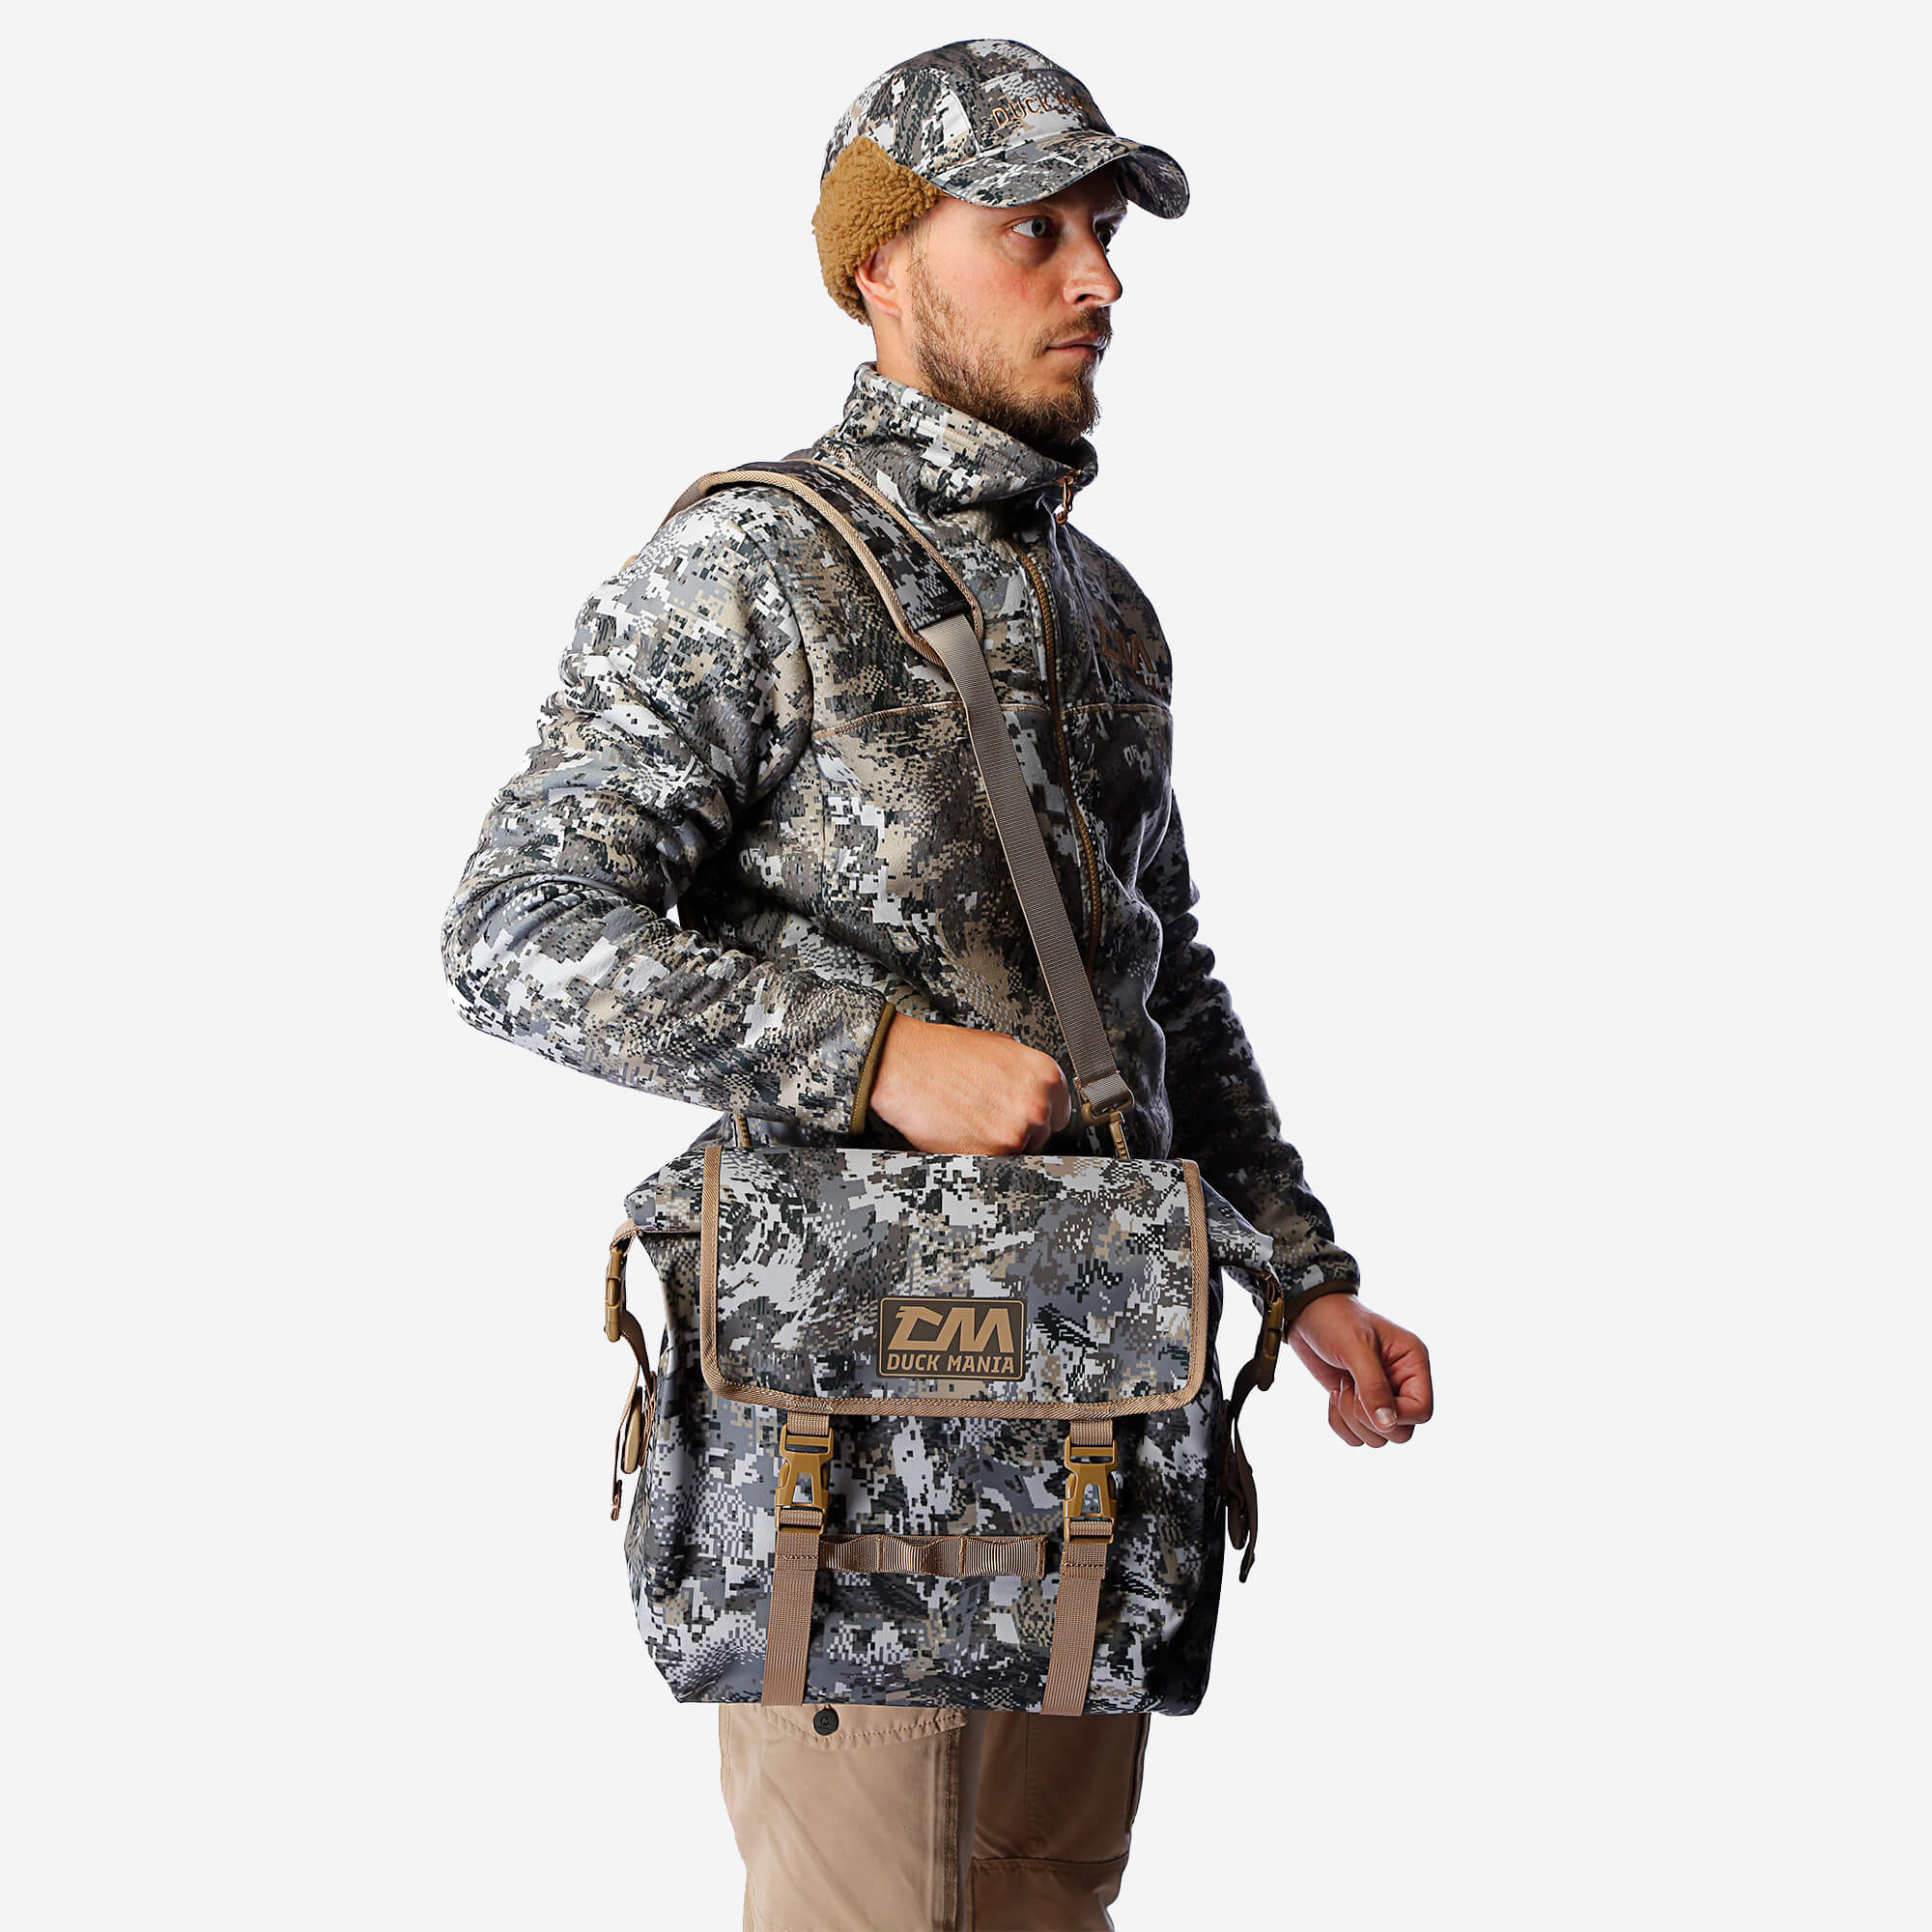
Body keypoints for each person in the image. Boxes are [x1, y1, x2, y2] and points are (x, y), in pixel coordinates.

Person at [440, 37, 1435, 1932]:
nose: (1100, 277)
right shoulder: (753, 565)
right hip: (847, 1445)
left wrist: (1297, 1276)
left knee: (1047, 1906)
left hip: (1095, 1415)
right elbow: (514, 929)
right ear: (881, 263)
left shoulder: (1104, 609)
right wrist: (875, 1054)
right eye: (1033, 230)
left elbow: (1160, 981)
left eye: (1105, 230)